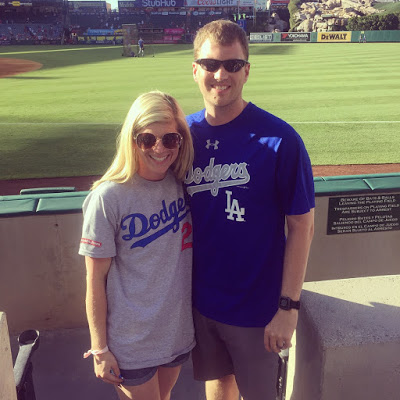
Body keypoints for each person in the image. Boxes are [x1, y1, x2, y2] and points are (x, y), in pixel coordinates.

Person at [185, 20, 315, 400]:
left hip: (257, 311)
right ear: (195, 70)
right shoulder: (182, 136)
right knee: (218, 384)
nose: (220, 74)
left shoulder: (281, 140)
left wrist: (288, 308)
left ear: (246, 71)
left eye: (232, 65)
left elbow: (302, 226)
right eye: (210, 64)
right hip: (201, 303)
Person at [79, 91, 195, 400]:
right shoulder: (108, 198)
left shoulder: (181, 184)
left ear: (181, 141)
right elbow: (95, 279)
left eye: (170, 139)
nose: (159, 148)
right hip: (131, 342)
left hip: (175, 332)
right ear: (132, 140)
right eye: (147, 139)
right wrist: (99, 348)